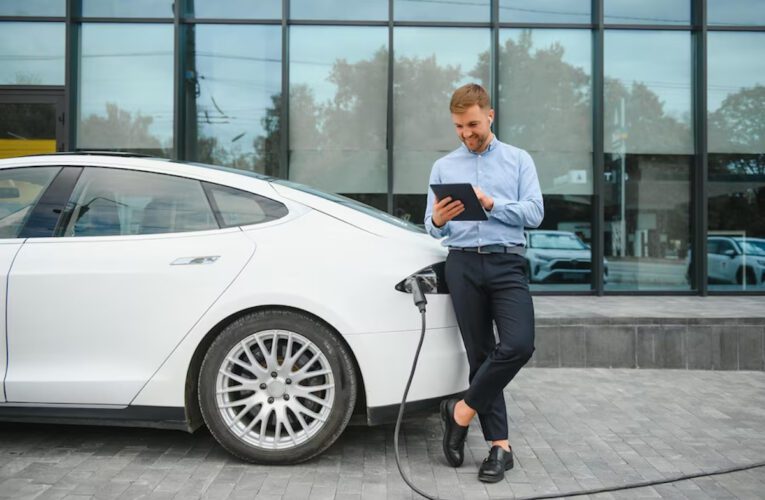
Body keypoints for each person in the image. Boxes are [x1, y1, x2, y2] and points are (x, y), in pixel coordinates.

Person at [424, 83, 543, 483]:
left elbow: (535, 212)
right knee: (479, 355)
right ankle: (500, 447)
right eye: (459, 126)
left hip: (507, 263)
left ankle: (460, 411)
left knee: (518, 344)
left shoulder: (518, 160)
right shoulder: (444, 167)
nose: (466, 133)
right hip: (461, 265)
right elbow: (430, 225)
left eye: (472, 124)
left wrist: (491, 203)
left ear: (489, 116)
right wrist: (440, 219)